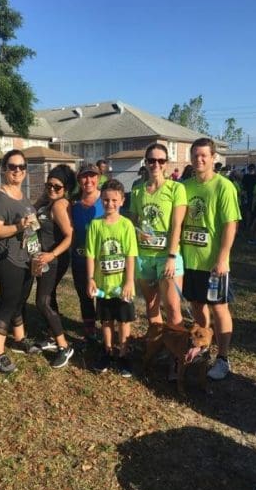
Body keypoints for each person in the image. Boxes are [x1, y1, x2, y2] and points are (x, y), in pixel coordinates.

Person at [182, 138, 241, 380]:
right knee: (197, 305)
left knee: (219, 308)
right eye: (195, 155)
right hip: (190, 260)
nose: (199, 159)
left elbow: (230, 225)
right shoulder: (184, 186)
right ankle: (203, 347)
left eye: (204, 155)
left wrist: (223, 257)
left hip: (213, 262)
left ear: (213, 157)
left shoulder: (224, 186)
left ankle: (223, 358)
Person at [0, 150, 39, 373]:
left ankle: (19, 339)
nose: (17, 170)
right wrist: (18, 226)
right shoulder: (1, 198)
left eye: (21, 167)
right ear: (4, 169)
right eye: (12, 166)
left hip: (26, 258)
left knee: (19, 302)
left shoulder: (22, 196)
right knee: (8, 304)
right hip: (9, 260)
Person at [129, 143, 187, 335]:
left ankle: (176, 349)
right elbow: (132, 223)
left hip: (166, 256)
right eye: (152, 160)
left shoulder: (176, 188)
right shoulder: (137, 190)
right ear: (145, 163)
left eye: (161, 160)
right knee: (151, 305)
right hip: (144, 256)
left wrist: (171, 257)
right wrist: (138, 232)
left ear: (166, 163)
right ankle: (157, 344)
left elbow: (177, 225)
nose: (156, 164)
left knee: (172, 308)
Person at [86, 179, 138, 377]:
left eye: (114, 200)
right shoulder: (95, 225)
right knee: (106, 320)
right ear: (101, 200)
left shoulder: (126, 225)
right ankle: (107, 351)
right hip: (103, 286)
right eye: (106, 200)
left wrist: (129, 281)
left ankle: (123, 354)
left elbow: (130, 255)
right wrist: (90, 278)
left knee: (124, 321)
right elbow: (91, 254)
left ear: (122, 201)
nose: (110, 204)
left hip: (122, 286)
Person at [34, 165, 76, 368]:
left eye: (57, 186)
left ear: (65, 189)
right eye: (48, 184)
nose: (51, 188)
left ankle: (64, 346)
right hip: (43, 258)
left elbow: (70, 236)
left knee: (42, 302)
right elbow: (32, 212)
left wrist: (51, 255)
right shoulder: (49, 202)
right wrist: (44, 198)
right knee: (50, 297)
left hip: (54, 259)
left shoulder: (60, 205)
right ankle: (52, 336)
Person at [71, 163, 104, 342]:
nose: (88, 180)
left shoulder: (107, 200)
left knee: (104, 294)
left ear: (98, 178)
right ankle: (90, 327)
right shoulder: (73, 204)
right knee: (84, 294)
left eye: (92, 176)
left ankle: (106, 326)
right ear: (79, 180)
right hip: (80, 257)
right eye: (84, 176)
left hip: (102, 259)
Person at [242, 163, 256, 229]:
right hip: (254, 195)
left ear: (248, 169)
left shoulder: (245, 176)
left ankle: (247, 224)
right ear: (254, 169)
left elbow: (243, 186)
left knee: (247, 210)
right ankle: (251, 225)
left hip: (247, 195)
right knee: (252, 210)